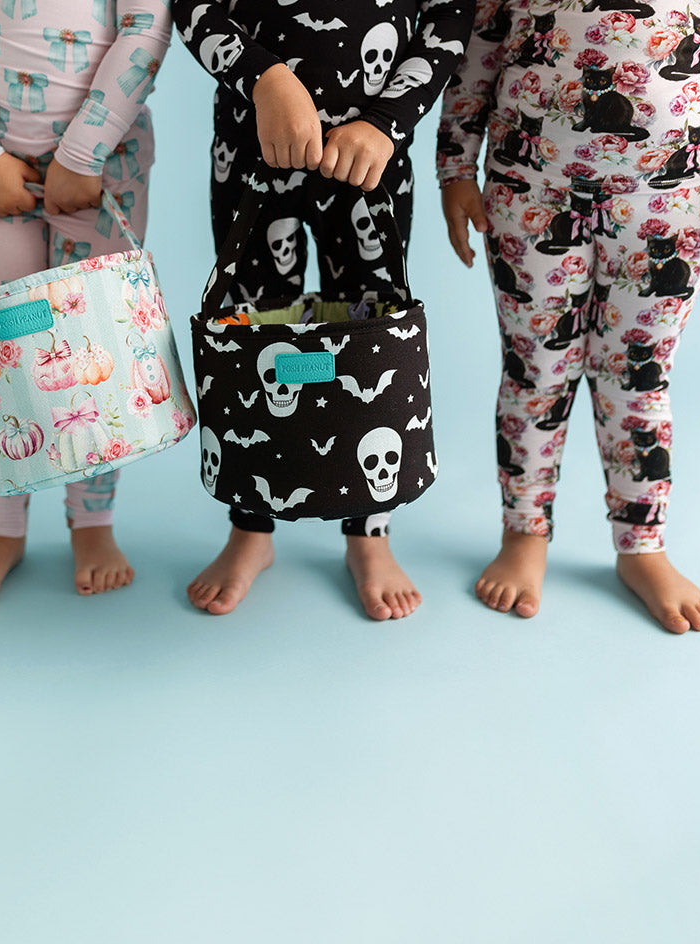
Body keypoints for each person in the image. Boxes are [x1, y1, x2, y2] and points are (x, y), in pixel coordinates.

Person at [437, 0, 700, 633]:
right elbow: (478, 52)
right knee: (534, 370)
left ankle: (641, 545)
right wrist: (455, 168)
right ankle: (524, 533)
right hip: (529, 191)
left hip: (674, 202)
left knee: (639, 377)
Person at [173, 0, 475, 619]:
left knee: (372, 336)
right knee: (251, 334)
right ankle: (251, 527)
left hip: (372, 152)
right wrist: (264, 76)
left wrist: (387, 121)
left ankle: (370, 532)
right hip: (253, 142)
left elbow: (448, 15)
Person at [0, 0, 171, 608]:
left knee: (95, 343)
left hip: (104, 164)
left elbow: (147, 24)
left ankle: (92, 520)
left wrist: (84, 152)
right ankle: (1, 529)